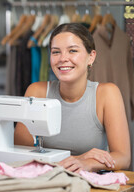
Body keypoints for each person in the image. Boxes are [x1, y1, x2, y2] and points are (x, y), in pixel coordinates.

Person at [14, 23, 131, 173]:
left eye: (73, 51)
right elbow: (20, 154)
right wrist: (82, 158)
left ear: (91, 57)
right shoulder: (37, 92)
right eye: (56, 52)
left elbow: (123, 157)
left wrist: (88, 164)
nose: (63, 58)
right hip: (47, 180)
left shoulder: (107, 94)